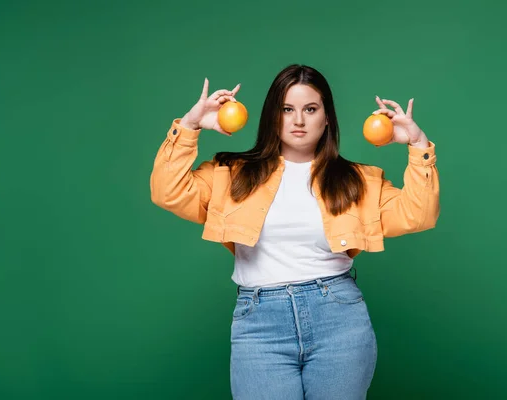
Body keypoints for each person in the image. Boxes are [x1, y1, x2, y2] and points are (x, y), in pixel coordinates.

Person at [150, 64, 440, 399]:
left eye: (310, 109)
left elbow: (419, 215)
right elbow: (167, 191)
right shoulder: (230, 174)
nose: (298, 120)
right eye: (287, 109)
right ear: (273, 116)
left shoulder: (359, 180)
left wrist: (418, 146)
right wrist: (188, 127)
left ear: (327, 117)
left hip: (339, 320)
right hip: (259, 325)